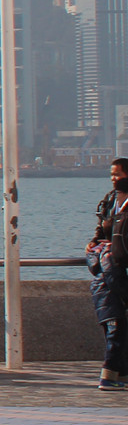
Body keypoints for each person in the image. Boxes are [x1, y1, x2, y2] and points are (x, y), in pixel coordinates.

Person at [87, 158, 128, 390]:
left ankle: (120, 376)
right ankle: (110, 376)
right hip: (112, 273)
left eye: (118, 174)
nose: (114, 178)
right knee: (117, 328)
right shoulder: (111, 199)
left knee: (117, 329)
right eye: (112, 174)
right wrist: (96, 240)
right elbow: (102, 225)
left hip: (113, 271)